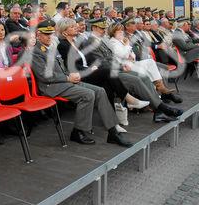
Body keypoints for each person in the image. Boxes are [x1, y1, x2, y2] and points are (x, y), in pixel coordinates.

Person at [30, 19, 133, 147]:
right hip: (51, 86)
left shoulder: (51, 47)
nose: (49, 36)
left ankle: (112, 132)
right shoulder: (35, 51)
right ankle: (78, 131)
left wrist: (72, 75)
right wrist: (68, 78)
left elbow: (61, 68)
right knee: (88, 94)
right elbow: (45, 76)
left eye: (51, 34)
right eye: (46, 34)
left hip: (64, 81)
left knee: (100, 91)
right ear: (38, 35)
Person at [82, 18, 182, 121]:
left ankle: (159, 111)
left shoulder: (100, 40)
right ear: (94, 28)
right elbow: (102, 63)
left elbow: (111, 57)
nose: (104, 30)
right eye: (101, 28)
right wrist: (121, 65)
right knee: (137, 80)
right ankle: (162, 109)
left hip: (116, 68)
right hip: (107, 74)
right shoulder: (90, 42)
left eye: (104, 28)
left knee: (145, 76)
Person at [107, 23, 174, 95]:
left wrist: (131, 56)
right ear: (113, 32)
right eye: (119, 31)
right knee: (145, 72)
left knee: (150, 62)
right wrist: (127, 46)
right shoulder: (112, 42)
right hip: (124, 66)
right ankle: (153, 94)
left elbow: (132, 53)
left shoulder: (122, 40)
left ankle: (160, 86)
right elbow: (123, 54)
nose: (121, 32)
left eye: (122, 30)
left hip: (131, 62)